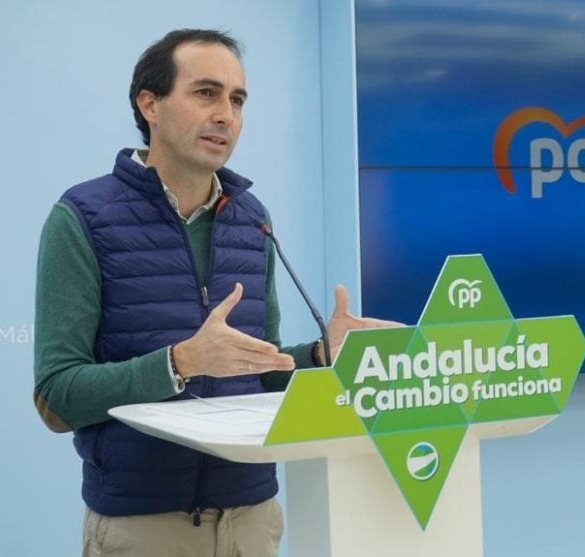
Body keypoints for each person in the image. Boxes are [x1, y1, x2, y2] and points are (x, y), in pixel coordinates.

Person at [33, 28, 395, 557]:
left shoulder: (252, 219)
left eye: (237, 99)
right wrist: (178, 363)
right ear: (149, 104)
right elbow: (57, 398)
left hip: (252, 517)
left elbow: (259, 369)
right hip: (144, 525)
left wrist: (320, 356)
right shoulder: (83, 218)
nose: (226, 114)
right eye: (206, 93)